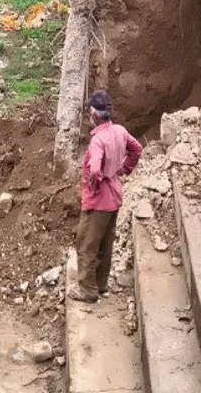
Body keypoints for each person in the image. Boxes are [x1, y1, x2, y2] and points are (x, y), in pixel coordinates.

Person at [68, 90, 143, 303]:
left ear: (94, 115)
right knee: (105, 243)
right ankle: (101, 284)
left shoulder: (98, 141)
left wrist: (93, 186)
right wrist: (123, 169)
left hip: (98, 201)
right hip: (114, 197)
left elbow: (93, 169)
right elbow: (137, 149)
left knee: (86, 245)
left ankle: (87, 290)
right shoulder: (119, 131)